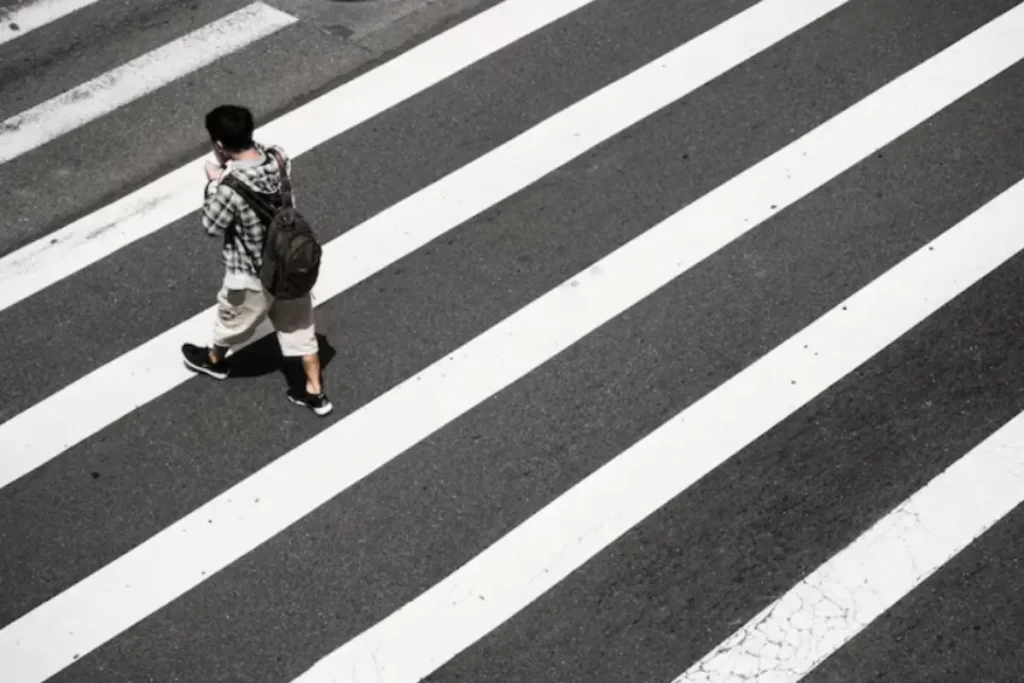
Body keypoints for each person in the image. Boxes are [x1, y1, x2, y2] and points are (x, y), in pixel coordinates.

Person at [181, 104, 333, 416]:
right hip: (290, 264)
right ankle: (316, 393)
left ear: (220, 146)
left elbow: (211, 225)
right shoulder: (279, 158)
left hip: (252, 274)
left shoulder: (228, 188)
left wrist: (212, 181)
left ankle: (214, 361)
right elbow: (263, 159)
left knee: (232, 321)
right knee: (301, 329)